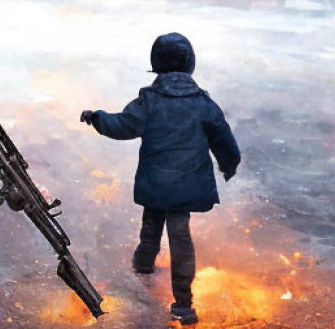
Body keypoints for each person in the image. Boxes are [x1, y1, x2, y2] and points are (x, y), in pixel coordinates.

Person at [80, 32, 240, 326]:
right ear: (190, 63)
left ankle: (142, 269)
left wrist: (97, 117)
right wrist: (229, 164)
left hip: (156, 183)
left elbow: (124, 125)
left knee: (151, 227)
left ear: (156, 65)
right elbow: (223, 138)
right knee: (181, 238)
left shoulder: (149, 101)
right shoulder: (203, 103)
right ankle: (183, 304)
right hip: (188, 184)